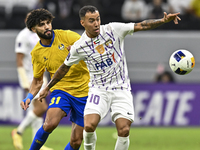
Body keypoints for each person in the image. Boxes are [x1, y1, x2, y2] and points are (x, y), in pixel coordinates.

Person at [26, 5, 181, 150]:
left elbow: (141, 25)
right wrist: (47, 88)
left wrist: (162, 20)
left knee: (88, 138)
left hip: (109, 88)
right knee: (61, 124)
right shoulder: (74, 46)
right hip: (89, 90)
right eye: (91, 20)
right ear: (83, 22)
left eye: (98, 19)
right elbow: (61, 69)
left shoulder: (112, 29)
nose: (96, 23)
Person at [20, 8, 90, 150]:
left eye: (48, 23)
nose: (46, 26)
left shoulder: (68, 36)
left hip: (85, 91)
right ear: (33, 29)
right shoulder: (37, 53)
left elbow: (91, 49)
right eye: (42, 24)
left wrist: (80, 51)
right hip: (61, 90)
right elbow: (38, 80)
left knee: (76, 141)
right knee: (49, 124)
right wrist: (29, 97)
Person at [12, 20, 52, 150]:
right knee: (41, 108)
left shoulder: (38, 35)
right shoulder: (23, 36)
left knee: (38, 111)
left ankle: (38, 145)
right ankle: (18, 132)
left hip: (40, 76)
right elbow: (19, 61)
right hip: (30, 78)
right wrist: (24, 81)